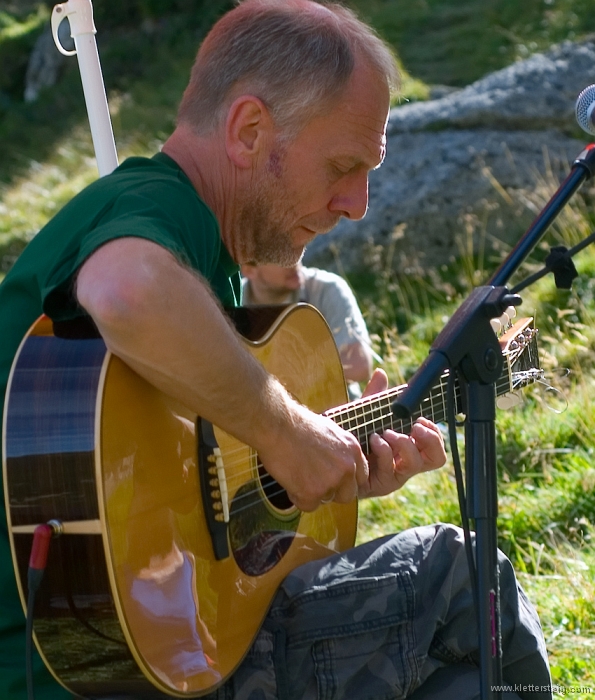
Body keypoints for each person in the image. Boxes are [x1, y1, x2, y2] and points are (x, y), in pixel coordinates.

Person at [0, 1, 552, 699]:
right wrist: (283, 429)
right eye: (344, 165)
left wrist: (316, 472)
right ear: (249, 130)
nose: (357, 203)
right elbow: (127, 291)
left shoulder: (209, 262)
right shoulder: (155, 207)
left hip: (128, 660)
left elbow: (184, 514)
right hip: (83, 670)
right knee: (461, 579)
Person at [242, 261, 373, 398]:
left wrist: (282, 384)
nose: (293, 262)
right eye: (280, 257)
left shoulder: (325, 289)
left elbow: (359, 365)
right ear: (249, 270)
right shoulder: (229, 304)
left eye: (295, 248)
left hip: (337, 412)